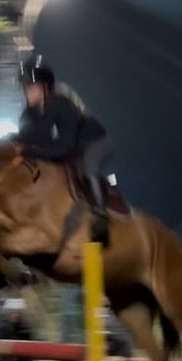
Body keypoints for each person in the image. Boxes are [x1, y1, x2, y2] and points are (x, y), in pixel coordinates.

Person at [16, 54, 112, 246]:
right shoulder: (28, 114)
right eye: (25, 88)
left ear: (45, 87)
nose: (27, 92)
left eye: (32, 87)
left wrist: (31, 151)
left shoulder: (62, 105)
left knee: (88, 165)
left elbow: (64, 147)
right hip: (66, 148)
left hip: (94, 142)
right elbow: (24, 141)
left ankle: (100, 214)